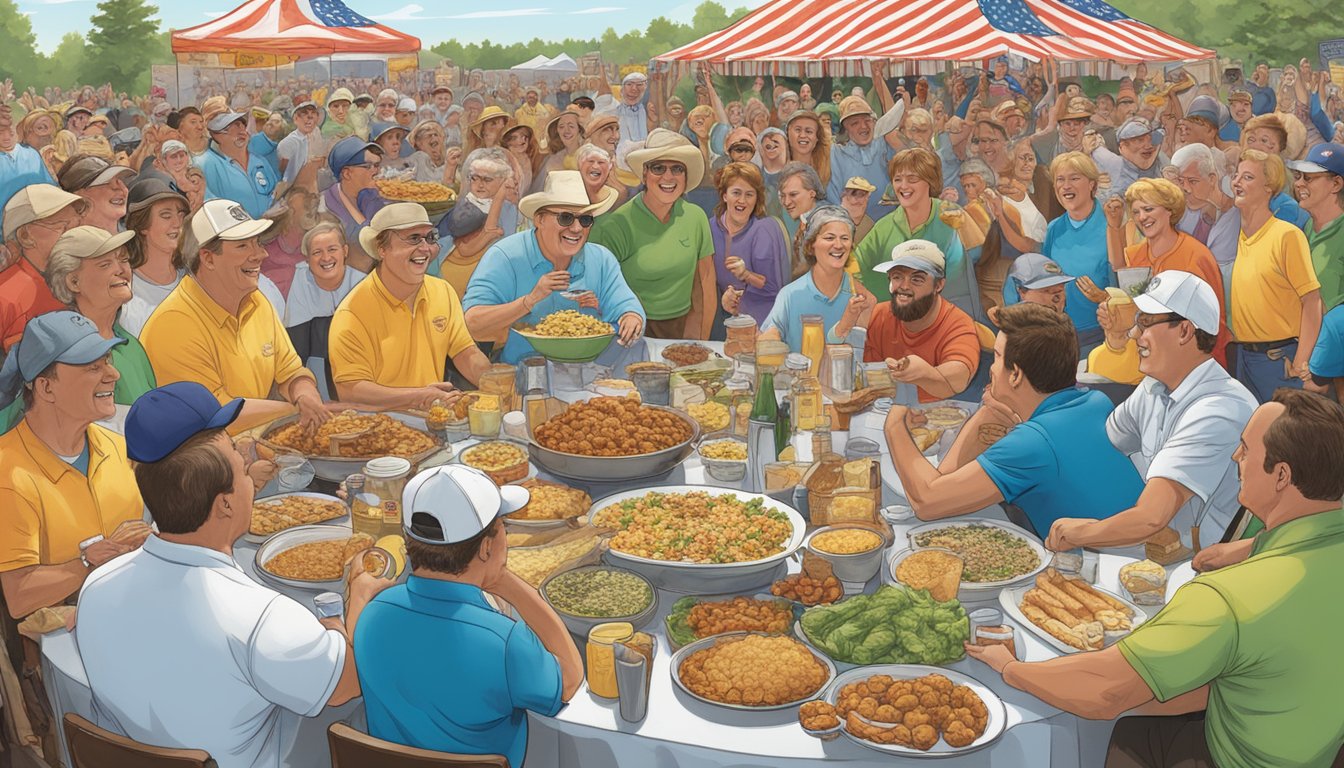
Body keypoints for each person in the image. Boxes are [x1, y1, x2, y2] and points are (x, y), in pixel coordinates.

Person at [966, 389, 1344, 768]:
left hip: (1234, 756)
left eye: (1245, 450)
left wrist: (1009, 668)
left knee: (1117, 730)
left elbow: (1104, 691)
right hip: (1316, 746)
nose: (1236, 458)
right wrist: (1252, 546)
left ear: (1281, 475)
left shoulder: (1225, 597)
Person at [77, 381, 389, 768]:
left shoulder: (96, 586)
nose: (251, 484)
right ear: (224, 504)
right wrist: (357, 595)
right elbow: (347, 684)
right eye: (244, 472)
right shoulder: (261, 617)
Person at [355, 465, 583, 766]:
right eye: (504, 528)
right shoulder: (505, 641)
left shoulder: (373, 615)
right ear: (486, 547)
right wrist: (505, 582)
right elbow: (569, 681)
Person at [883, 302, 1144, 535]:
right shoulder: (1096, 402)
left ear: (1016, 374)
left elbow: (928, 502)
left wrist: (895, 423)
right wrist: (991, 411)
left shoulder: (1030, 442)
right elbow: (946, 478)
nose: (993, 369)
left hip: (1088, 569)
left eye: (997, 357)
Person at [1046, 272, 1257, 557]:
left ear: (1184, 331)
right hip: (1160, 551)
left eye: (1145, 323)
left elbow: (1151, 516)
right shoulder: (1154, 386)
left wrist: (1079, 533)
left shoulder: (1221, 408)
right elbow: (1104, 443)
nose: (1134, 334)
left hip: (1199, 569)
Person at [0, 311, 148, 618]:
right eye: (93, 367)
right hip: (64, 645)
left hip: (135, 610)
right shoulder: (9, 473)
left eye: (107, 360)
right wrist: (86, 562)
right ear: (45, 388)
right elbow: (19, 596)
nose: (113, 374)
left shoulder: (117, 446)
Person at [140, 199, 328, 432]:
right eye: (243, 246)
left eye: (257, 243)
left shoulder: (257, 302)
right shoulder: (172, 325)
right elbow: (216, 416)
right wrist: (294, 410)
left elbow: (290, 372)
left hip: (250, 448)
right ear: (208, 258)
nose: (260, 254)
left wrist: (304, 394)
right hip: (198, 459)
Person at [463, 171, 641, 364]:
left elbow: (625, 305)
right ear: (540, 220)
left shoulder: (601, 258)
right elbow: (472, 323)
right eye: (565, 218)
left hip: (591, 373)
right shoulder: (505, 255)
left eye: (585, 219)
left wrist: (631, 317)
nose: (576, 229)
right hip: (525, 375)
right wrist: (529, 301)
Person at [329, 203, 490, 408]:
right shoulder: (352, 313)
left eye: (430, 238)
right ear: (382, 249)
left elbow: (466, 353)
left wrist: (495, 382)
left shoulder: (443, 291)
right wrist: (419, 396)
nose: (425, 248)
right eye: (413, 239)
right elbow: (350, 391)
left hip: (436, 420)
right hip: (382, 430)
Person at [1091, 179, 1231, 383]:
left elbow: (1213, 323)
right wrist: (1113, 227)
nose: (1142, 217)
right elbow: (1122, 276)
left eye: (1148, 209)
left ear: (1169, 210)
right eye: (1136, 212)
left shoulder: (1195, 256)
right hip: (1151, 364)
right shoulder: (1137, 254)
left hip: (1194, 367)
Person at [589, 129, 715, 340]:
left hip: (683, 329)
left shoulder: (696, 217)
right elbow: (597, 292)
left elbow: (705, 285)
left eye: (677, 168)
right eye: (658, 168)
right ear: (645, 174)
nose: (668, 177)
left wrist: (699, 341)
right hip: (630, 329)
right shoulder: (618, 224)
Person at [1228, 149, 1322, 402]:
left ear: (1269, 186)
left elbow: (1312, 300)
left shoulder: (1287, 236)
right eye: (1236, 175)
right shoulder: (1234, 237)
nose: (1237, 182)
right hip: (1242, 357)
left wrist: (1302, 360)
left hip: (1279, 361)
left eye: (1247, 177)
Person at [35, 226, 156, 421]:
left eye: (124, 260)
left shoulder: (131, 345)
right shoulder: (59, 350)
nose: (121, 270)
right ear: (74, 282)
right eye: (105, 264)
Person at [854, 147, 982, 323]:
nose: (903, 186)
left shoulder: (950, 214)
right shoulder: (885, 226)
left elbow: (974, 258)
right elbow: (853, 265)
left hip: (948, 316)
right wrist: (869, 298)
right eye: (897, 179)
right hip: (897, 318)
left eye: (912, 179)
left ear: (930, 181)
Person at [864, 239, 980, 402]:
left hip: (936, 419)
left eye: (916, 279)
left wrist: (925, 374)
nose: (904, 286)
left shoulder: (958, 324)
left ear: (938, 285)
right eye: (897, 277)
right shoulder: (879, 314)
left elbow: (959, 377)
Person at [757, 205, 876, 352]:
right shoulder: (790, 295)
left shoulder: (862, 299)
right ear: (811, 245)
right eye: (829, 238)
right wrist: (769, 339)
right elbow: (767, 339)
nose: (838, 245)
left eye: (845, 238)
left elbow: (863, 357)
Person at [1038, 151, 1111, 354]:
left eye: (1074, 178)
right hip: (1060, 335)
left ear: (1092, 184)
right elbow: (1047, 279)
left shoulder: (1113, 226)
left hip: (1101, 336)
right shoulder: (1054, 228)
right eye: (1060, 180)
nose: (1066, 186)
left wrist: (1104, 297)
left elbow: (1130, 289)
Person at [0, 184, 88, 351]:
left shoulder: (81, 278)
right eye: (63, 227)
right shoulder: (8, 295)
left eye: (77, 227)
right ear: (25, 237)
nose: (75, 235)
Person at [284, 219, 364, 401]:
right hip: (316, 366)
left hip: (358, 366)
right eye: (317, 252)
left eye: (332, 249)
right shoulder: (301, 282)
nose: (326, 258)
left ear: (345, 251)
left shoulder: (363, 283)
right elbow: (298, 349)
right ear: (307, 259)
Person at [709, 162, 787, 328]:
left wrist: (745, 274)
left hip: (759, 320)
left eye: (749, 194)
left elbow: (772, 288)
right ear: (724, 195)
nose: (742, 201)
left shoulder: (764, 229)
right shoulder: (709, 228)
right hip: (718, 317)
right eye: (736, 192)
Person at [435, 147, 519, 297]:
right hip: (451, 262)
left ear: (502, 181)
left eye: (487, 179)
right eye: (475, 178)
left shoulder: (508, 210)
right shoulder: (467, 203)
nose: (480, 185)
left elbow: (505, 245)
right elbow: (459, 242)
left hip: (487, 268)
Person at [120, 178, 188, 337]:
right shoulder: (124, 291)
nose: (177, 223)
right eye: (166, 215)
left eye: (180, 214)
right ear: (142, 225)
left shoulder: (196, 277)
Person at [196, 111, 282, 219]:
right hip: (236, 233)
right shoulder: (207, 164)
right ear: (218, 136)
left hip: (270, 229)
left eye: (242, 126)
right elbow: (211, 207)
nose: (242, 131)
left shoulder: (260, 161)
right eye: (235, 127)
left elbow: (275, 193)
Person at [1289, 142, 1344, 311]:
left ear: (1336, 184)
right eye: (1298, 176)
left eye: (1309, 178)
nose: (1298, 184)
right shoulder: (1309, 226)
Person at [318, 136, 383, 272]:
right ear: (347, 173)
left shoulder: (375, 198)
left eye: (377, 165)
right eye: (368, 166)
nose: (376, 171)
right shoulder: (323, 207)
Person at [0, 104, 57, 224]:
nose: (7, 137)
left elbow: (50, 187)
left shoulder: (31, 154)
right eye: (1, 132)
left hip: (39, 222)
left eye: (10, 130)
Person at [55, 154, 134, 232]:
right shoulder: (65, 242)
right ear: (77, 195)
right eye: (106, 182)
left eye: (120, 180)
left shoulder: (133, 241)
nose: (121, 188)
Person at [1089, 117, 1166, 196]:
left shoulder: (1159, 162)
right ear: (1123, 146)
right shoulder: (1113, 164)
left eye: (1149, 140)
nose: (1148, 146)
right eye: (1140, 140)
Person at [776, 161, 824, 257]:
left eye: (793, 195)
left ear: (812, 194)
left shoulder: (826, 223)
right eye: (783, 196)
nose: (786, 202)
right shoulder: (791, 217)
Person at [1004, 252, 1073, 314]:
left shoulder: (1069, 325)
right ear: (1021, 292)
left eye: (1059, 291)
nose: (1056, 299)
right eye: (1046, 291)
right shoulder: (1003, 326)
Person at [275, 100, 324, 187]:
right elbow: (284, 172)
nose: (309, 117)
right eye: (304, 114)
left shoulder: (317, 134)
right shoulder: (288, 143)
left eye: (313, 113)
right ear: (296, 119)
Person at [839, 175, 877, 245]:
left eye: (862, 195)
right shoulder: (832, 220)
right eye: (855, 194)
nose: (856, 199)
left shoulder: (869, 225)